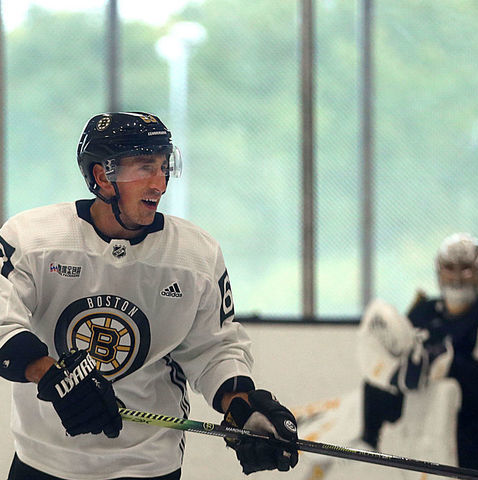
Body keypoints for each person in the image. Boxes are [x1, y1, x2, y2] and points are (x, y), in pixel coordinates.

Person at [0, 111, 298, 479]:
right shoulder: (33, 240)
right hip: (44, 460)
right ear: (102, 177)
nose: (160, 183)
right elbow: (3, 320)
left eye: (163, 167)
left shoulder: (195, 255)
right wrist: (53, 375)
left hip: (148, 464)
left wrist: (242, 406)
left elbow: (214, 349)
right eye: (144, 168)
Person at [357, 233, 478, 474]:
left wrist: (447, 366)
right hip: (419, 429)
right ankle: (366, 442)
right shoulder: (423, 312)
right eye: (450, 267)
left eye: (466, 268)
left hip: (476, 438)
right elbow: (395, 369)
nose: (458, 277)